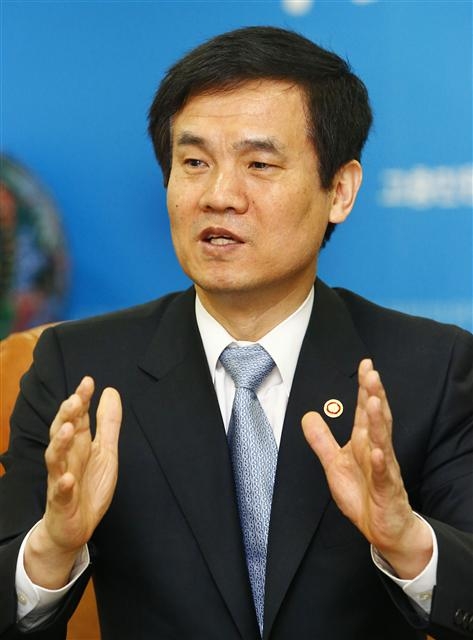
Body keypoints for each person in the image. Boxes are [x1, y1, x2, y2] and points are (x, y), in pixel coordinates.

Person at [0, 25, 472, 640]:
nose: (219, 195)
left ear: (340, 190)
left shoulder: (430, 368)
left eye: (259, 164)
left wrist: (407, 540)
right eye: (194, 163)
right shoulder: (79, 371)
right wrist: (51, 549)